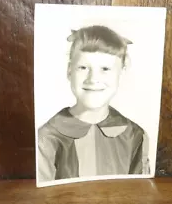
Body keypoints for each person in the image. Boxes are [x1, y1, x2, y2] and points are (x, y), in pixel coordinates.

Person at [37, 25, 150, 183]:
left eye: (105, 68)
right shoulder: (47, 137)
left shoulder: (134, 135)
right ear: (69, 71)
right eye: (83, 67)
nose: (93, 79)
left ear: (122, 71)